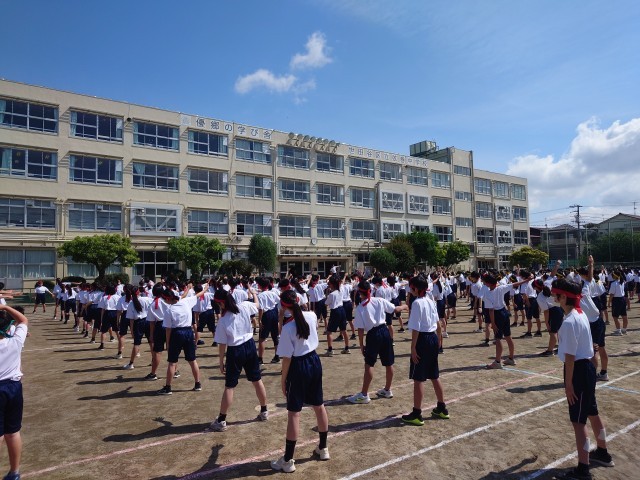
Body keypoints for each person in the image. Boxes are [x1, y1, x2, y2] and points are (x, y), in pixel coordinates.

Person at [552, 278, 614, 480]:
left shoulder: (570, 321)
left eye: (556, 295)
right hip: (587, 369)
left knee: (578, 422)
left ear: (564, 297)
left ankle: (583, 469)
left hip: (578, 371)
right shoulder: (580, 314)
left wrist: (568, 385)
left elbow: (570, 358)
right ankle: (603, 452)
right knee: (592, 412)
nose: (554, 297)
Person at [271, 290, 329, 473]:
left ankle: (288, 460)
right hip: (314, 361)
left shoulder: (288, 328)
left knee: (294, 413)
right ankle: (323, 448)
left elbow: (286, 359)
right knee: (319, 405)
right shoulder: (311, 315)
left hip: (299, 366)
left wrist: (283, 379)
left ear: (283, 306)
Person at [209, 287, 269, 431]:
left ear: (221, 303)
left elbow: (222, 344)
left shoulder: (223, 320)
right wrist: (254, 294)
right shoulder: (244, 306)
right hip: (250, 345)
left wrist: (221, 362)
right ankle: (264, 411)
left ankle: (221, 420)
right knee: (257, 380)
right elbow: (257, 305)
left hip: (235, 350)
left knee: (230, 386)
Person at [346, 280, 407, 404]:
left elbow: (360, 329)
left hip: (373, 335)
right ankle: (387, 389)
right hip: (385, 331)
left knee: (369, 364)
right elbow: (395, 309)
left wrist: (361, 344)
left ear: (360, 293)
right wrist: (405, 306)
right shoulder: (378, 300)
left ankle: (364, 394)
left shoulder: (360, 308)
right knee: (389, 363)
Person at [401, 275, 449, 425]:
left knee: (418, 378)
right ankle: (442, 408)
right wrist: (439, 340)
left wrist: (413, 348)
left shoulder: (417, 303)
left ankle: (417, 413)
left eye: (411, 288)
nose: (410, 290)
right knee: (434, 375)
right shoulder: (430, 300)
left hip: (423, 339)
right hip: (433, 338)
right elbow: (438, 324)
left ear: (416, 288)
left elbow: (416, 328)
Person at [157, 284, 205, 395]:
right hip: (188, 332)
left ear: (167, 299)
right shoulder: (186, 302)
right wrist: (205, 288)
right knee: (192, 360)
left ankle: (168, 387)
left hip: (177, 333)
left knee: (172, 362)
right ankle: (197, 384)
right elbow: (198, 295)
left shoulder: (169, 310)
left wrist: (168, 343)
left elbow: (168, 329)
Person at [0, 303, 29, 480]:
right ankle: (14, 472)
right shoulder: (16, 341)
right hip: (14, 388)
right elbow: (23, 320)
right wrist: (5, 308)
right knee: (12, 432)